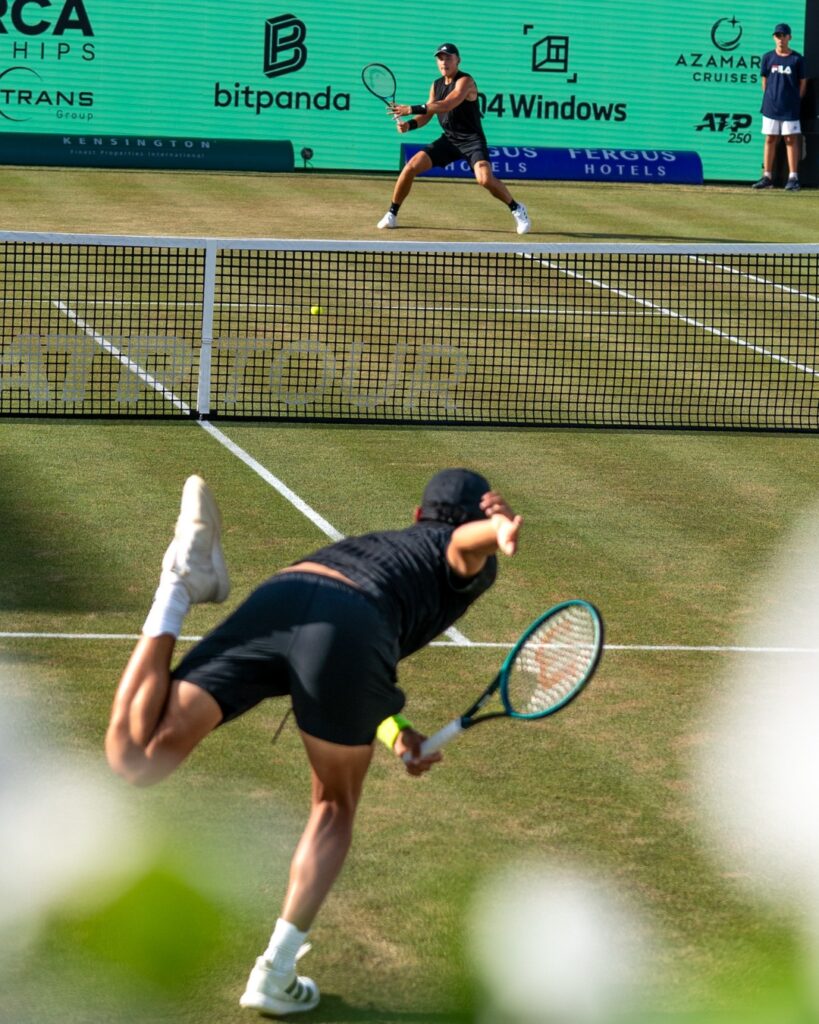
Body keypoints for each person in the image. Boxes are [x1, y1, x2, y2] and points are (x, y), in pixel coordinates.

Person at [105, 468, 522, 1016]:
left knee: (137, 756)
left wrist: (396, 734)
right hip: (349, 627)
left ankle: (180, 580)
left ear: (418, 514)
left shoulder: (381, 546)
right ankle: (274, 975)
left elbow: (347, 666)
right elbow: (459, 549)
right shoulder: (464, 556)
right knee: (333, 806)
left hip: (287, 594)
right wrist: (496, 533)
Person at [376, 42, 531, 234]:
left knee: (484, 179)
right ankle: (392, 214)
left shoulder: (466, 81)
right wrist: (410, 124)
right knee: (410, 167)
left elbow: (447, 104)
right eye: (440, 59)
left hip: (472, 141)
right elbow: (428, 114)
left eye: (448, 58)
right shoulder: (436, 85)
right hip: (448, 140)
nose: (444, 62)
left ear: (458, 60)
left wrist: (410, 109)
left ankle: (517, 208)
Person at [752, 23, 807, 191]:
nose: (780, 39)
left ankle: (793, 178)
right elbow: (764, 82)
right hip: (771, 107)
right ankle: (767, 176)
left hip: (790, 108)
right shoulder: (768, 57)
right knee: (770, 139)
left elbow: (803, 82)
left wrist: (795, 100)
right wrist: (771, 98)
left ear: (789, 37)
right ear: (774, 38)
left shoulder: (796, 59)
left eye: (783, 35)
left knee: (791, 140)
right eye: (777, 36)